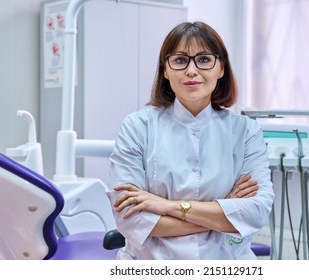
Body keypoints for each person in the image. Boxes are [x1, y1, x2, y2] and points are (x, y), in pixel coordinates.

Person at [107, 21, 274, 260]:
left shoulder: (246, 131)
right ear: (165, 70)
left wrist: (167, 206)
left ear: (221, 69)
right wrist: (224, 211)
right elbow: (132, 219)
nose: (192, 70)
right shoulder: (137, 127)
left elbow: (255, 213)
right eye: (180, 60)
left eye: (204, 59)